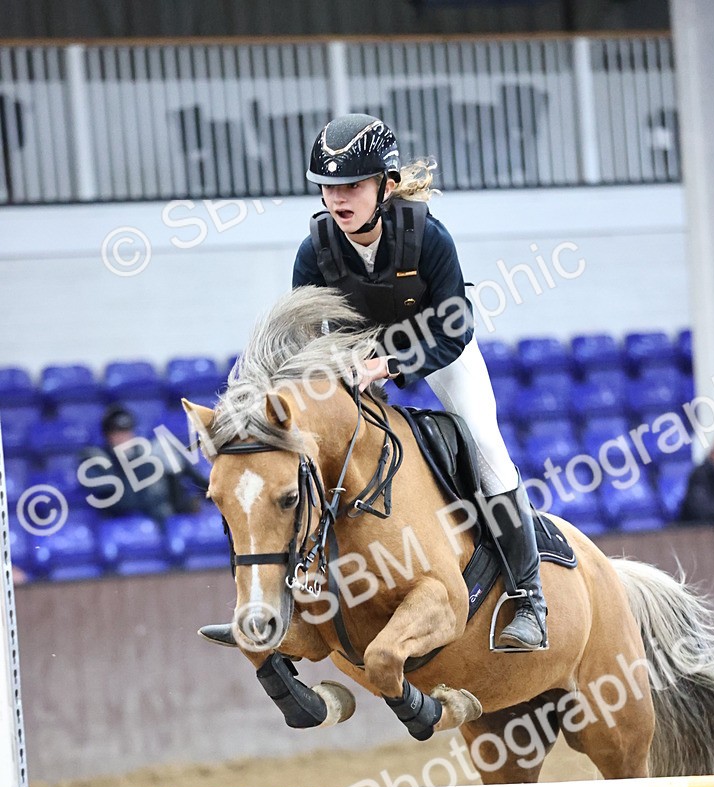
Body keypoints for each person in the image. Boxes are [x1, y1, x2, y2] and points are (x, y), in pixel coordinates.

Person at [206, 113, 547, 652]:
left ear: (385, 187)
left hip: (437, 350)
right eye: (329, 187)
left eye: (352, 186)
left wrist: (388, 365)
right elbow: (305, 338)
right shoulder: (313, 251)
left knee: (486, 446)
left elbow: (455, 329)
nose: (338, 199)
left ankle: (529, 597)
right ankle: (284, 597)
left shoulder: (428, 237)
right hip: (353, 356)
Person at [82, 405, 207, 520]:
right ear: (107, 435)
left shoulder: (146, 452)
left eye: (127, 432)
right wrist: (122, 461)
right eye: (117, 433)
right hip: (121, 519)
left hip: (158, 513)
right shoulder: (97, 457)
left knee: (164, 451)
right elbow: (115, 495)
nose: (123, 438)